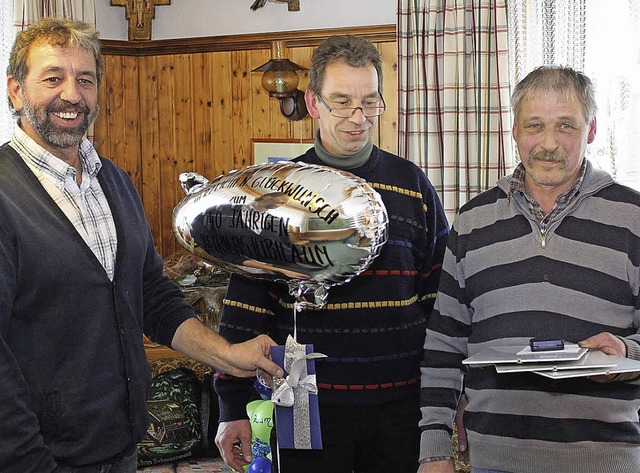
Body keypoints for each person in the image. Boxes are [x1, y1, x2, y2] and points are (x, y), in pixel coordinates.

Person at [0, 18, 283, 472]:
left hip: (121, 449)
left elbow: (152, 295)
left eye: (85, 80)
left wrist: (227, 356)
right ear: (15, 90)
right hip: (38, 460)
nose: (72, 94)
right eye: (53, 78)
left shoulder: (112, 181)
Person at [214, 34, 449, 473]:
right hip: (304, 405)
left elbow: (441, 301)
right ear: (313, 102)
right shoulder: (275, 194)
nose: (357, 118)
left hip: (401, 405)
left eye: (369, 102)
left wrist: (447, 398)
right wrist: (231, 406)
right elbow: (246, 306)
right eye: (341, 101)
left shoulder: (412, 185)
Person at [418, 66, 640, 473]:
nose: (549, 143)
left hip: (608, 461)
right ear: (515, 130)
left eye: (566, 126)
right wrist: (433, 452)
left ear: (591, 130)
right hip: (494, 460)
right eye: (535, 126)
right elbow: (443, 345)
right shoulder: (472, 222)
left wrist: (628, 351)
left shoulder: (633, 218)